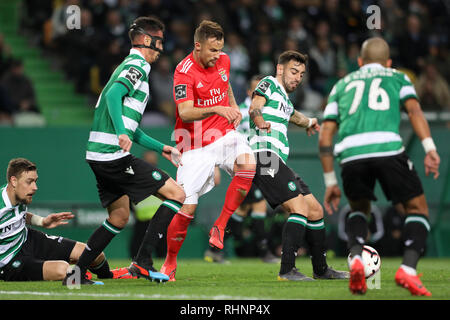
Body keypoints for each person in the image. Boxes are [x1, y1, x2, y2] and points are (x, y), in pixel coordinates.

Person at [63, 16, 186, 286]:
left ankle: (76, 275)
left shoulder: (126, 65)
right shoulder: (138, 64)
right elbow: (112, 97)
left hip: (98, 155)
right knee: (177, 193)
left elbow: (132, 129)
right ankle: (143, 262)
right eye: (159, 42)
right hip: (112, 155)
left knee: (118, 217)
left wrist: (161, 147)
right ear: (145, 40)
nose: (161, 48)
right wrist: (120, 132)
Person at [319, 37, 440, 296]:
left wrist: (330, 181)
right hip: (387, 148)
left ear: (360, 62)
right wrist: (430, 148)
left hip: (351, 153)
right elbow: (415, 112)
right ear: (388, 62)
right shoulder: (397, 77)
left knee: (358, 209)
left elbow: (326, 133)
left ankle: (356, 260)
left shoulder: (341, 84)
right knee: (417, 208)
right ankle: (407, 270)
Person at [160, 20, 256, 281]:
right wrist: (217, 108)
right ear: (198, 45)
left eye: (220, 50)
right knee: (187, 208)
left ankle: (221, 225)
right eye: (212, 50)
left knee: (249, 164)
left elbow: (224, 87)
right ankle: (170, 263)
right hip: (193, 144)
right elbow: (185, 112)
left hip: (223, 134)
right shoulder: (184, 71)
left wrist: (233, 108)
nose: (217, 56)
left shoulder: (223, 61)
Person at [248, 50, 349, 281]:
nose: (298, 77)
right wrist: (259, 119)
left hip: (277, 160)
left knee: (315, 210)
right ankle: (287, 270)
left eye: (301, 74)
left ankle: (321, 269)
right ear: (280, 69)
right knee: (299, 208)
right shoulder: (269, 83)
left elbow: (294, 116)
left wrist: (310, 122)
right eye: (294, 71)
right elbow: (255, 105)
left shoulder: (284, 98)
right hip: (264, 156)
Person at [0, 158, 122, 282]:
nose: (35, 187)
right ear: (14, 181)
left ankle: (110, 276)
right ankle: (76, 274)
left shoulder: (15, 193)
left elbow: (19, 215)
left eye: (35, 181)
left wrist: (42, 221)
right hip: (10, 262)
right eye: (29, 182)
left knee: (95, 255)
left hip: (29, 240)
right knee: (64, 270)